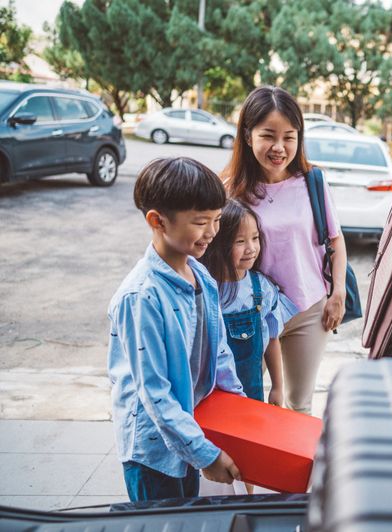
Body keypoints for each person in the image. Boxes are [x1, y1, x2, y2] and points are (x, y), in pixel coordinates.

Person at [107, 157, 245, 502]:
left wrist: (243, 417)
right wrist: (205, 455)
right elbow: (154, 393)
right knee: (161, 522)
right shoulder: (140, 297)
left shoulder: (202, 277)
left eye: (216, 220)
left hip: (190, 431)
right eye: (201, 222)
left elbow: (221, 354)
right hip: (153, 450)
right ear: (157, 220)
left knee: (186, 517)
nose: (212, 232)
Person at [224, 86, 347, 415]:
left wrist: (338, 293)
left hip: (308, 310)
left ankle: (296, 468)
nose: (279, 147)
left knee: (298, 406)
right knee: (242, 402)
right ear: (248, 135)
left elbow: (334, 239)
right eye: (268, 135)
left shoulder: (312, 183)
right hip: (251, 315)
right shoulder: (229, 191)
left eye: (289, 137)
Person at [199, 198, 298, 408]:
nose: (251, 248)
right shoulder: (203, 288)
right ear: (219, 243)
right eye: (240, 241)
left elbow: (272, 340)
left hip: (250, 394)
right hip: (207, 396)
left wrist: (278, 387)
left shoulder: (262, 289)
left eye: (255, 238)